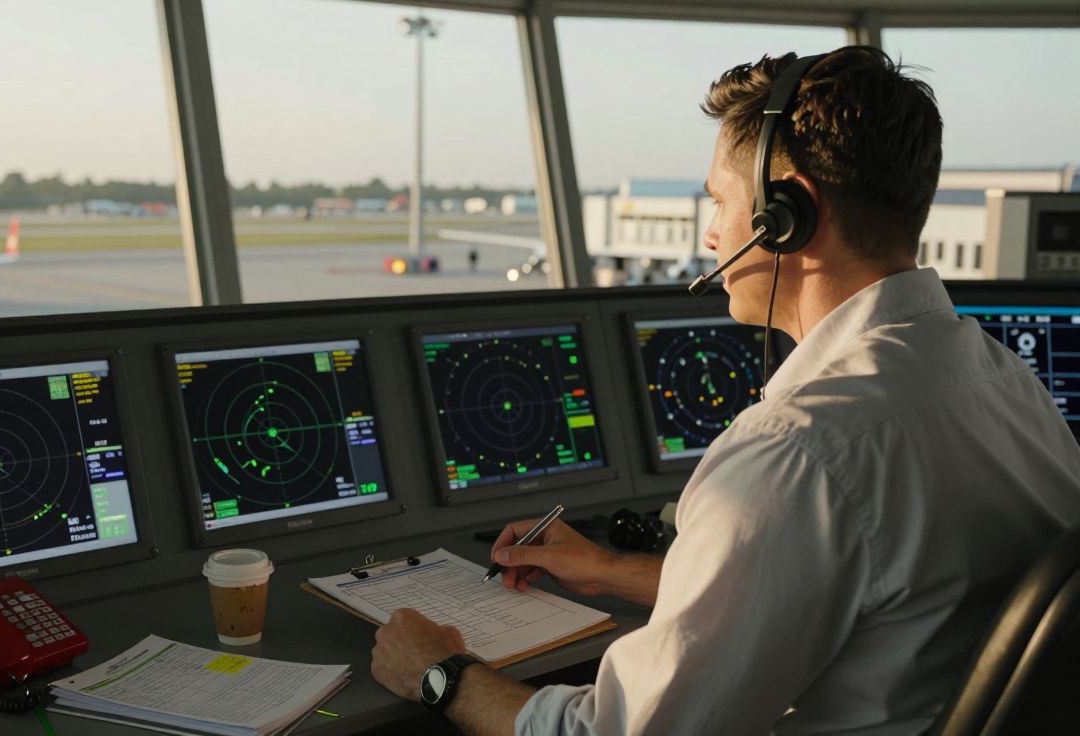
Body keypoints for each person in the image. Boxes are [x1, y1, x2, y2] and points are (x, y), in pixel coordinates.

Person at [369, 45, 1080, 735]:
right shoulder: (1002, 381)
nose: (712, 236)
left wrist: (440, 673)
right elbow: (847, 591)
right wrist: (613, 569)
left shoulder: (797, 452)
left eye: (720, 202)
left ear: (786, 216)